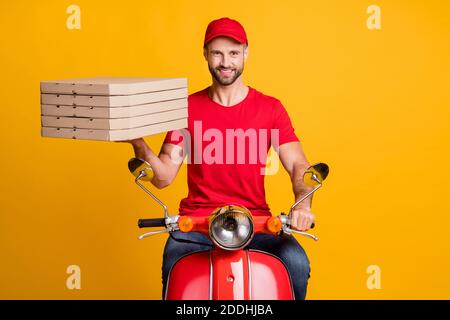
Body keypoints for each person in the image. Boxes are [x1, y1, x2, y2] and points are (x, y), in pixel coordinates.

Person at [127, 17, 315, 300]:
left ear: (245, 53)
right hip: (197, 225)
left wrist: (304, 206)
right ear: (205, 54)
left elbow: (299, 165)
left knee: (297, 263)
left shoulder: (270, 109)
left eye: (233, 53)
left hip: (257, 223)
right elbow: (164, 176)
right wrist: (136, 141)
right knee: (174, 264)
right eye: (217, 52)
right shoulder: (186, 108)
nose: (225, 61)